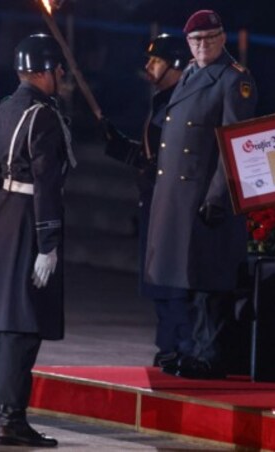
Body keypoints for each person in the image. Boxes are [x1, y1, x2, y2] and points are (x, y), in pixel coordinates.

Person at [144, 10, 257, 380]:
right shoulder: (191, 73)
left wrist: (217, 198)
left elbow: (233, 145)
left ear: (223, 38)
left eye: (209, 38)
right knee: (189, 280)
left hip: (205, 195)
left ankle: (209, 355)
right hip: (178, 195)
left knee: (209, 281)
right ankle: (190, 349)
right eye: (195, 40)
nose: (202, 46)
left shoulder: (233, 80)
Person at [0, 33, 75, 447]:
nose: (62, 78)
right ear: (47, 72)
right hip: (30, 220)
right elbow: (47, 181)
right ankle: (11, 420)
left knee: (10, 324)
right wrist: (48, 242)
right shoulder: (43, 115)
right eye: (58, 71)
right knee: (24, 323)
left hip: (5, 216)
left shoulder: (5, 107)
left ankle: (6, 415)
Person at [101, 34, 194, 371]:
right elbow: (153, 157)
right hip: (153, 200)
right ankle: (168, 343)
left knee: (172, 277)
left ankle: (182, 345)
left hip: (174, 204)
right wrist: (122, 147)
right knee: (157, 277)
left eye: (156, 60)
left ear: (177, 65)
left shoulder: (185, 103)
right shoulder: (162, 100)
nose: (148, 66)